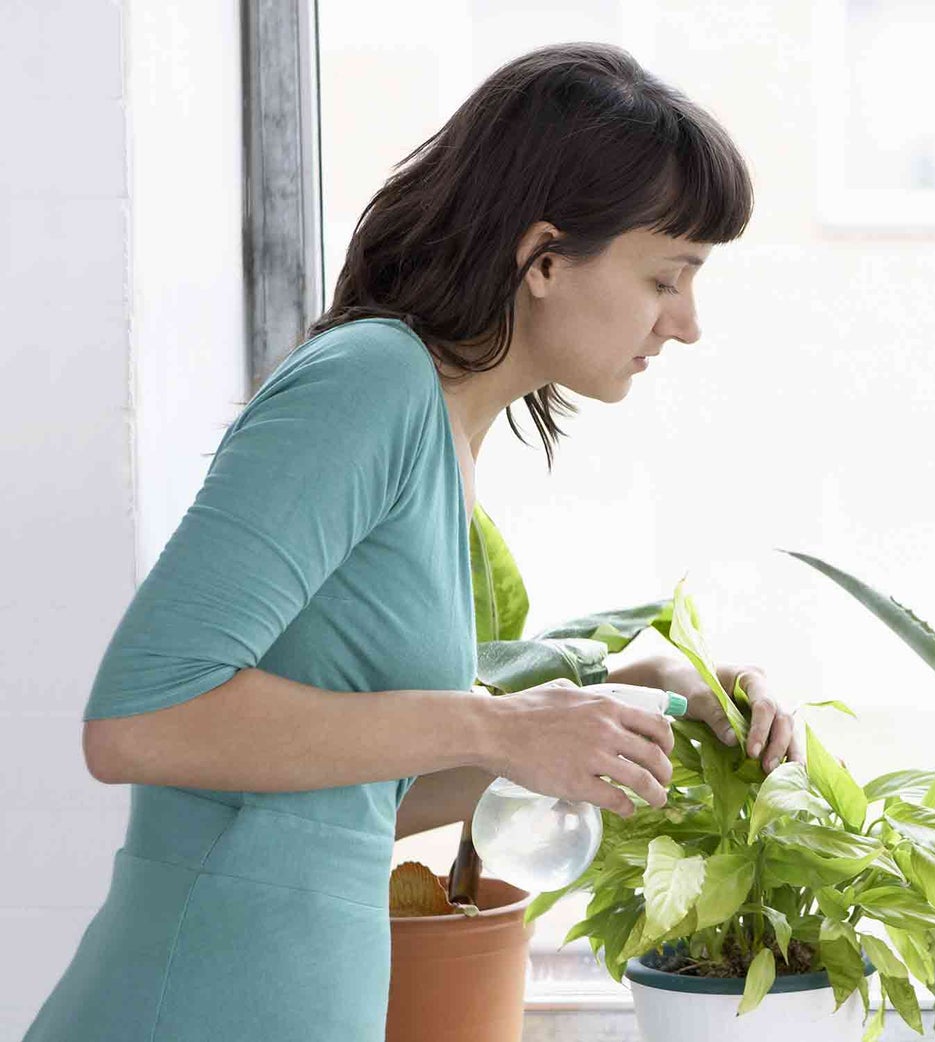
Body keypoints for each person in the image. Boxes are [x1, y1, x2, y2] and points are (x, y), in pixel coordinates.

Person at [24, 42, 796, 1042]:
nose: (685, 323)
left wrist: (657, 696)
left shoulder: (442, 437)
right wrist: (496, 727)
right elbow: (139, 723)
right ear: (546, 258)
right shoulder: (372, 383)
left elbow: (347, 803)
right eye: (667, 277)